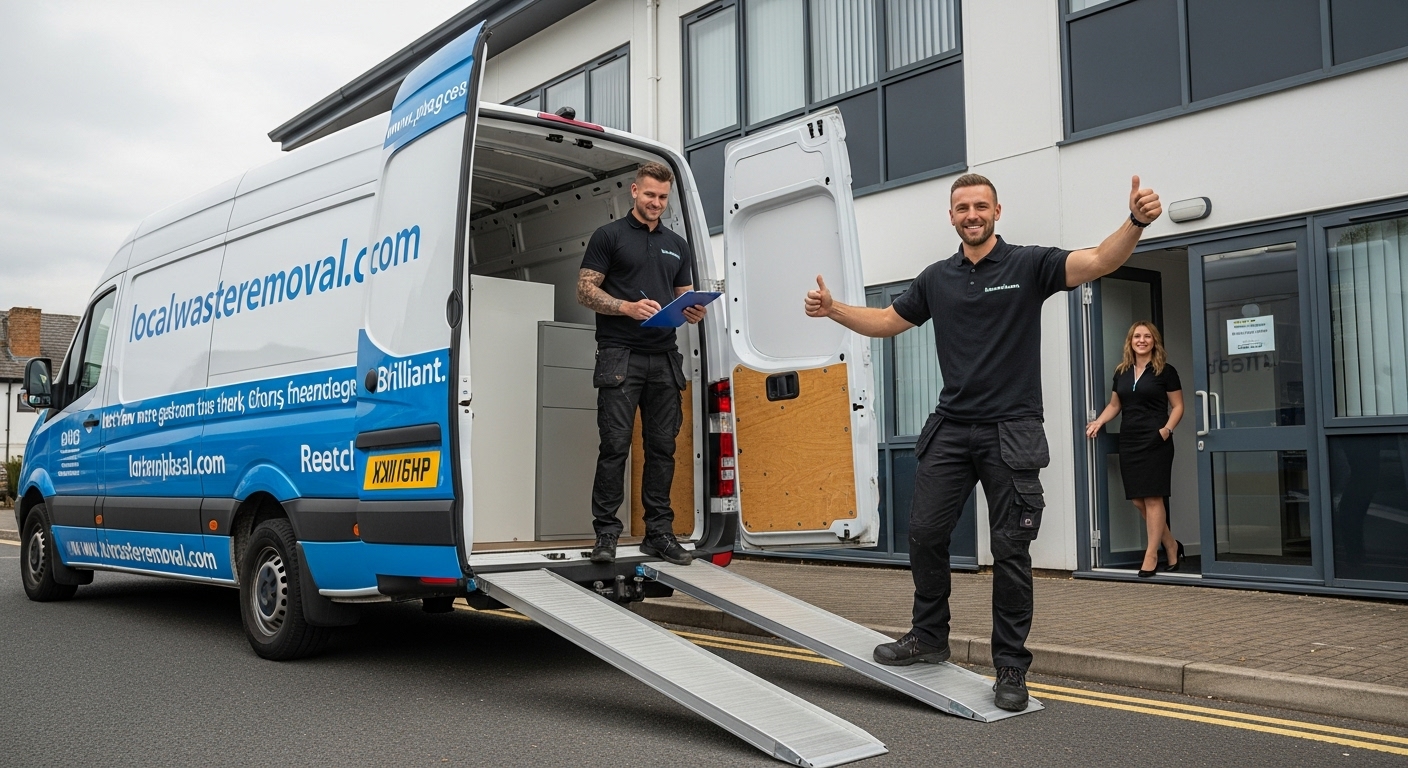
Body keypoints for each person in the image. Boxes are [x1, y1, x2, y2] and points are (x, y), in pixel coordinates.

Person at [804, 173, 1162, 712]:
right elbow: (884, 320)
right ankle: (928, 637)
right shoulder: (937, 278)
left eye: (980, 206)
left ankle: (1011, 667)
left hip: (1010, 431)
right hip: (951, 427)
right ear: (951, 217)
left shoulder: (1028, 265)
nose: (971, 214)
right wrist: (834, 309)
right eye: (961, 208)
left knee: (1010, 552)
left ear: (997, 210)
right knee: (924, 534)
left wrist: (1134, 222)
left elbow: (1098, 262)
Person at [577, 162, 706, 567]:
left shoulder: (677, 244)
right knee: (615, 446)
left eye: (663, 198)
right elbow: (584, 290)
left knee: (662, 448)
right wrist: (625, 307)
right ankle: (606, 535)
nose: (656, 203)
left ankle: (659, 534)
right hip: (620, 355)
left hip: (664, 358)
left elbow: (683, 293)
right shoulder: (608, 236)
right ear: (634, 191)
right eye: (650, 195)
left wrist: (693, 309)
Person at [1086, 322, 1185, 577]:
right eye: (1137, 336)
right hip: (1129, 440)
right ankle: (1172, 545)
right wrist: (1099, 421)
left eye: (1147, 336)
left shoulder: (1166, 371)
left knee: (1153, 497)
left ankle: (1151, 555)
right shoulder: (1122, 371)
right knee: (1139, 501)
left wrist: (1166, 430)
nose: (1142, 340)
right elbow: (1115, 405)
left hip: (1156, 440)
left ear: (1155, 341)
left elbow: (1178, 407)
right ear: (1130, 341)